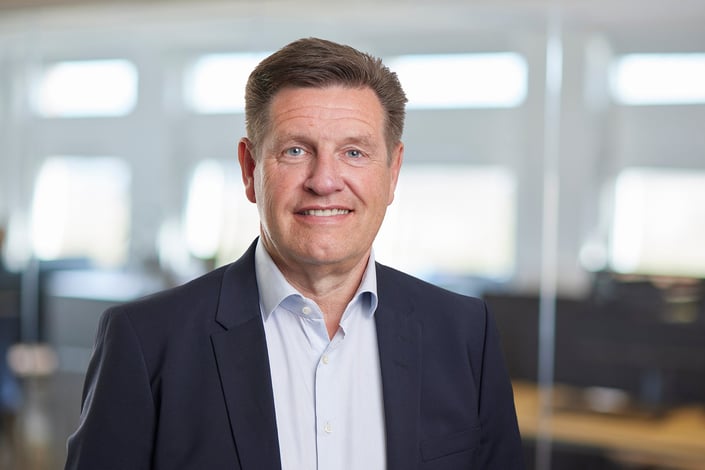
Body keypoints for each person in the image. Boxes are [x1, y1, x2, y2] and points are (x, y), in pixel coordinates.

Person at [65, 37, 524, 470]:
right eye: (296, 150)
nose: (324, 181)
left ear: (393, 171)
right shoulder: (146, 342)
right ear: (250, 169)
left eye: (354, 153)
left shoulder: (465, 335)